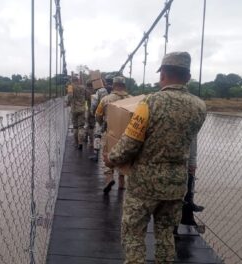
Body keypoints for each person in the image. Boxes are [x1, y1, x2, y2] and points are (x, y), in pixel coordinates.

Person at [103, 51, 206, 263]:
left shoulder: (149, 103)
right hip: (176, 185)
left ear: (163, 75)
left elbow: (130, 144)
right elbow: (189, 141)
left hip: (144, 185)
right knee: (165, 235)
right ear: (187, 77)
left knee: (133, 234)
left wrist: (111, 159)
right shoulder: (200, 107)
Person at [95, 76, 131, 193]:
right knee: (124, 155)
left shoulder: (105, 99)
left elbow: (98, 115)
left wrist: (103, 124)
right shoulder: (132, 99)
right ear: (124, 86)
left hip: (110, 132)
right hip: (127, 135)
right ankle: (122, 182)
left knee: (106, 154)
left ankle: (109, 177)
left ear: (113, 85)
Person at [88, 78, 109, 162]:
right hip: (112, 117)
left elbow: (94, 103)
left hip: (101, 115)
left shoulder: (100, 91)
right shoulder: (111, 90)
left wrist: (92, 112)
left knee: (97, 135)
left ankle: (96, 155)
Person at [67, 76, 87, 150]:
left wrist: (68, 103)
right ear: (78, 80)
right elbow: (87, 96)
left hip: (74, 109)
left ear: (72, 80)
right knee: (81, 127)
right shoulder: (83, 87)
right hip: (82, 109)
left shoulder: (70, 87)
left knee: (75, 127)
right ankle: (81, 143)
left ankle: (76, 143)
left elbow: (70, 96)